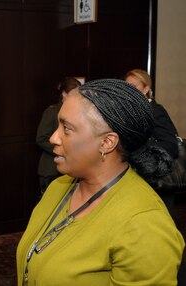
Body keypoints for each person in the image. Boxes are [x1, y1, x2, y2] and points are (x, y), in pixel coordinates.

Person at [16, 79, 185, 286]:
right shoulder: (58, 188)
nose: (53, 138)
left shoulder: (143, 223)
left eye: (66, 128)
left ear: (107, 143)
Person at [125, 68, 179, 212]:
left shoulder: (156, 110)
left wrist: (147, 162)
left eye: (134, 87)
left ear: (146, 89)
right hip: (136, 179)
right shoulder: (131, 112)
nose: (129, 90)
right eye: (127, 86)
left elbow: (170, 144)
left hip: (157, 181)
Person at [36, 77, 81, 194]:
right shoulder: (51, 112)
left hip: (68, 170)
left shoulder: (77, 112)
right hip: (50, 169)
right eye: (73, 93)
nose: (77, 97)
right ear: (64, 94)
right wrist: (63, 150)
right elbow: (41, 139)